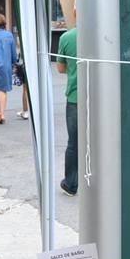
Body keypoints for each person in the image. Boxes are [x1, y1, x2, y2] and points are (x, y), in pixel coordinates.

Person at [55, 25, 79, 195]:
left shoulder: (67, 37)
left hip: (76, 96)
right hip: (105, 98)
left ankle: (71, 183)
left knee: (74, 142)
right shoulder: (106, 31)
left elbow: (61, 68)